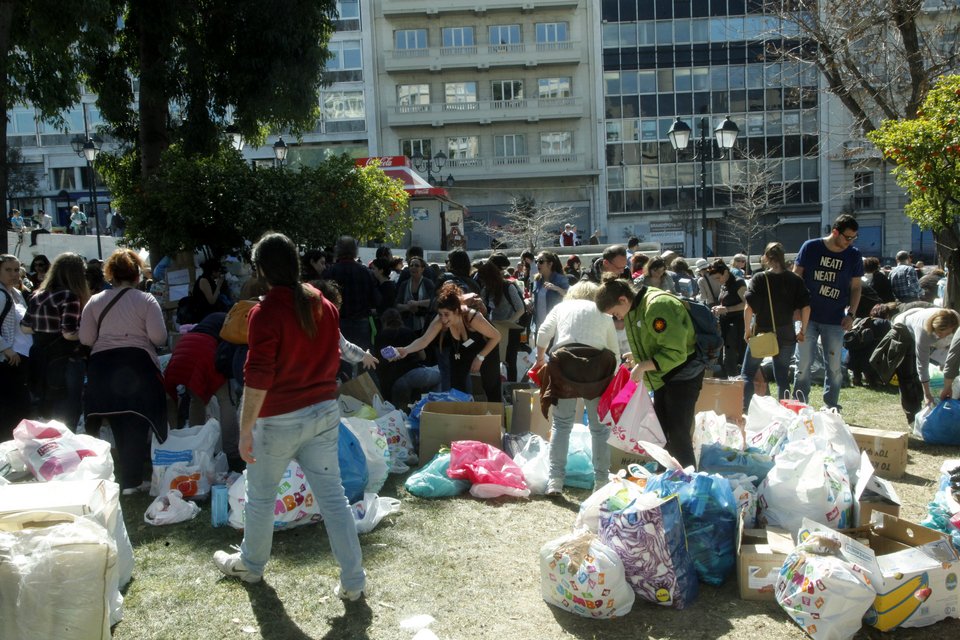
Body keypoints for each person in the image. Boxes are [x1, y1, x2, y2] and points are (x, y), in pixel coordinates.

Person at [213, 232, 366, 598]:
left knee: (262, 496)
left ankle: (251, 565)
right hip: (323, 413)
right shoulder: (322, 304)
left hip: (279, 419)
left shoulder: (265, 313)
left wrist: (245, 430)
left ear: (262, 269)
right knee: (334, 500)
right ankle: (353, 581)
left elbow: (258, 378)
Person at [80, 249, 167, 494]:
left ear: (110, 275)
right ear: (137, 275)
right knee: (136, 421)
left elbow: (86, 338)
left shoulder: (95, 301)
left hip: (102, 367)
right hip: (138, 366)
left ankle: (124, 478)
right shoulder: (146, 300)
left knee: (117, 420)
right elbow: (158, 337)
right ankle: (132, 479)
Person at [596, 278, 703, 468]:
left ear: (623, 300)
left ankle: (688, 480)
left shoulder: (657, 306)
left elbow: (677, 352)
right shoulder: (633, 309)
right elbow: (654, 342)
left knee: (678, 432)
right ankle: (666, 475)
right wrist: (638, 359)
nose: (617, 318)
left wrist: (643, 365)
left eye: (615, 313)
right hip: (663, 376)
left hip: (683, 373)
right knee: (661, 432)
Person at [535, 281, 619, 494]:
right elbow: (614, 352)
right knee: (599, 429)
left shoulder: (561, 307)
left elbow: (543, 333)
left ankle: (555, 480)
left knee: (561, 425)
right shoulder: (604, 313)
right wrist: (613, 378)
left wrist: (539, 359)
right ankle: (601, 481)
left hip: (564, 366)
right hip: (597, 370)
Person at [793, 214, 863, 410]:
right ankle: (799, 404)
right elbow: (796, 278)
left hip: (835, 319)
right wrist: (795, 308)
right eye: (847, 237)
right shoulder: (811, 247)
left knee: (834, 367)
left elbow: (856, 287)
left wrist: (851, 314)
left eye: (853, 238)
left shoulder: (854, 255)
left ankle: (831, 406)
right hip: (807, 316)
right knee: (803, 364)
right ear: (835, 232)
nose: (849, 242)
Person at [391, 282, 501, 395]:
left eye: (446, 314)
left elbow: (497, 336)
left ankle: (497, 408)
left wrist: (480, 357)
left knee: (490, 384)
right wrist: (406, 350)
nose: (443, 319)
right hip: (463, 349)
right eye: (440, 314)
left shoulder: (472, 317)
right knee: (457, 383)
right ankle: (459, 408)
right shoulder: (439, 320)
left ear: (457, 312)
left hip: (487, 347)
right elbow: (424, 340)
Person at [20, 252, 90, 429]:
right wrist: (89, 333)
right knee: (68, 411)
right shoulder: (70, 296)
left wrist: (46, 327)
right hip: (67, 360)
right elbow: (69, 333)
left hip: (42, 360)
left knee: (46, 410)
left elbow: (25, 327)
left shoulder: (37, 295)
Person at [740, 243, 811, 411]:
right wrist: (803, 331)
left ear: (766, 257)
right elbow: (806, 308)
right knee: (782, 377)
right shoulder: (795, 280)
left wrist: (747, 330)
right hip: (786, 331)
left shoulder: (759, 278)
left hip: (763, 331)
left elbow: (748, 308)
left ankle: (745, 410)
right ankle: (784, 412)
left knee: (748, 373)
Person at [877, 307, 960, 425]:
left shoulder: (955, 319)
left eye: (944, 333)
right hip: (904, 327)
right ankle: (913, 418)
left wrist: (944, 362)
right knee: (908, 375)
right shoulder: (923, 332)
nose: (941, 336)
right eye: (939, 333)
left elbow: (953, 349)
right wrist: (927, 394)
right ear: (933, 327)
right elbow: (922, 364)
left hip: (919, 312)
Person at [373, 308, 439, 408]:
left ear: (384, 322)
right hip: (415, 374)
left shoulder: (379, 336)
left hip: (392, 382)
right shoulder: (409, 332)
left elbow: (378, 363)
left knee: (401, 414)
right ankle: (435, 406)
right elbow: (423, 356)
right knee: (444, 375)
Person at [477, 259, 524, 388]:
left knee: (510, 361)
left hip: (510, 329)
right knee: (495, 360)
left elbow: (520, 309)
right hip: (495, 328)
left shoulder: (508, 287)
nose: (484, 283)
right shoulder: (486, 290)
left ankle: (512, 388)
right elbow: (485, 308)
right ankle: (498, 388)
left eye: (485, 280)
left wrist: (508, 323)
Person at [0, 254, 33, 439]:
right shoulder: (1, 294)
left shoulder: (17, 293)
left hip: (18, 361)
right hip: (6, 361)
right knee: (10, 413)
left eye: (16, 269)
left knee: (18, 412)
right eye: (7, 270)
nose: (13, 274)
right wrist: (6, 349)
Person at [706, 258, 748, 377]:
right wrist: (719, 308)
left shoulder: (739, 283)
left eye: (718, 278)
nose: (718, 281)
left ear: (725, 272)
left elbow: (747, 304)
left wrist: (727, 309)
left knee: (731, 357)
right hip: (725, 324)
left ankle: (734, 381)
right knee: (723, 357)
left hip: (737, 326)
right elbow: (727, 301)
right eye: (715, 279)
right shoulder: (724, 284)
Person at [531, 251, 569, 334]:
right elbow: (535, 299)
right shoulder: (537, 280)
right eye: (536, 261)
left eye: (541, 261)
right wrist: (529, 302)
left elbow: (571, 296)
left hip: (555, 327)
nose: (538, 264)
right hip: (538, 326)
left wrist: (557, 288)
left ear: (550, 264)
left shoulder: (560, 279)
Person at [395, 256, 436, 334]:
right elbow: (397, 305)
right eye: (411, 265)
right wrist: (408, 307)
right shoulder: (404, 284)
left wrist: (417, 303)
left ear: (422, 269)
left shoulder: (428, 283)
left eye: (417, 266)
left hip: (425, 326)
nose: (413, 267)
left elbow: (434, 301)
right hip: (406, 326)